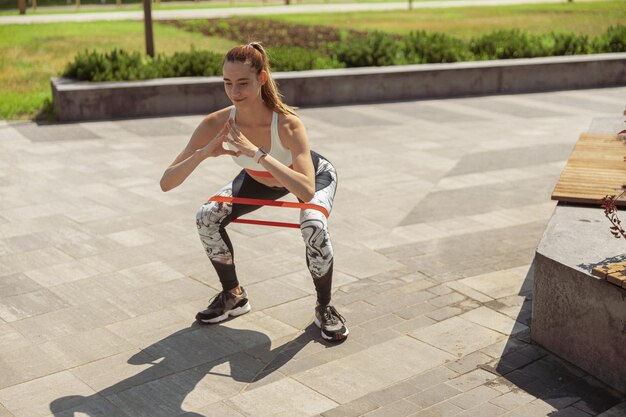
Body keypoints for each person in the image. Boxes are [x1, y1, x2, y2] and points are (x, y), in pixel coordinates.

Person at [160, 42, 348, 342]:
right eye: (227, 83)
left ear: (262, 79)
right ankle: (233, 295)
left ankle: (325, 307)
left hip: (310, 175)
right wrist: (204, 152)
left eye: (243, 83)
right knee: (207, 216)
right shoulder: (217, 122)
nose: (235, 92)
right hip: (259, 179)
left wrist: (258, 154)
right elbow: (166, 182)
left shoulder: (287, 124)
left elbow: (305, 188)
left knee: (313, 225)